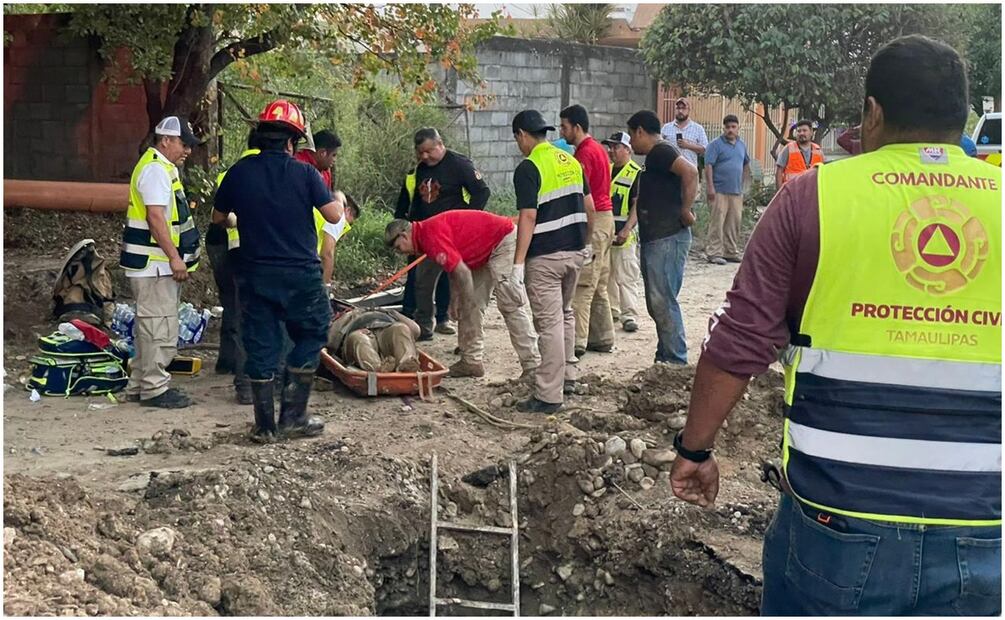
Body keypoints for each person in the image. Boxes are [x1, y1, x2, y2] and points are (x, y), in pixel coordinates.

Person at [669, 35, 1001, 615]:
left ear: (872, 112)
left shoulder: (811, 198)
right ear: (962, 117)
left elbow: (740, 341)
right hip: (987, 522)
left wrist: (693, 449)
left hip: (838, 521)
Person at [213, 99, 346, 442]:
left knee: (260, 342)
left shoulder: (238, 173)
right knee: (313, 332)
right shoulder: (305, 173)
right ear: (292, 142)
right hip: (300, 273)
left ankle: (264, 426)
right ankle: (294, 415)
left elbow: (218, 219)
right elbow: (333, 216)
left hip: (255, 273)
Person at [385, 211, 540, 379]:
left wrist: (464, 301)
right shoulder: (424, 237)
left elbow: (463, 273)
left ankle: (532, 365)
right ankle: (471, 362)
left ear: (403, 235)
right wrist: (456, 300)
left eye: (398, 248)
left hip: (503, 240)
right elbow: (454, 268)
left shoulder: (429, 236)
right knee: (470, 305)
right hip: (481, 251)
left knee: (510, 304)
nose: (401, 253)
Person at [511, 109, 593, 413]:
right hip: (574, 252)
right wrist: (586, 243)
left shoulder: (529, 167)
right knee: (566, 313)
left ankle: (548, 394)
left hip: (545, 257)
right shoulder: (571, 161)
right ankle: (568, 376)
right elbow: (589, 205)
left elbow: (528, 216)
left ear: (521, 135)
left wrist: (519, 262)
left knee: (550, 324)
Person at [119, 116, 201, 408]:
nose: (187, 151)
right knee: (159, 326)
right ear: (165, 140)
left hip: (152, 263)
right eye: (183, 144)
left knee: (149, 327)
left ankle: (140, 384)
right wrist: (175, 258)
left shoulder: (160, 167)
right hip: (155, 265)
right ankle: (155, 388)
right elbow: (156, 219)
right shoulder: (155, 170)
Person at [395, 128, 491, 340]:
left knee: (451, 276)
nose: (424, 156)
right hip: (421, 235)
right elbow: (405, 200)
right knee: (420, 280)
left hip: (450, 235)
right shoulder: (416, 171)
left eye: (428, 151)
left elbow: (482, 192)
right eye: (420, 152)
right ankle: (419, 323)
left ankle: (444, 319)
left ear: (440, 144)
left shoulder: (458, 164)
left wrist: (466, 221)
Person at [626, 110, 699, 365]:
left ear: (640, 131)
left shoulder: (662, 151)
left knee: (663, 300)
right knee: (657, 301)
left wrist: (686, 210)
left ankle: (675, 359)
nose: (631, 144)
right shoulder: (655, 157)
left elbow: (691, 173)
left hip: (668, 237)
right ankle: (665, 354)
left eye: (632, 137)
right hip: (656, 237)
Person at [205, 129, 260, 405]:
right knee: (243, 311)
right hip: (237, 248)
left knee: (231, 303)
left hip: (217, 245)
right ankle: (245, 380)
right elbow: (224, 217)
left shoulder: (230, 171)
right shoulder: (256, 173)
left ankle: (226, 362)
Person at [560, 104, 615, 357]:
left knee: (583, 284)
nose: (562, 132)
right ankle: (602, 336)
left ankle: (578, 340)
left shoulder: (584, 155)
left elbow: (582, 196)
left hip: (594, 220)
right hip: (607, 219)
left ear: (577, 127)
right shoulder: (599, 150)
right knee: (599, 281)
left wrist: (583, 234)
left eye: (564, 127)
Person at [602, 131, 642, 333]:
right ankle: (613, 310)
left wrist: (627, 228)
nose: (611, 151)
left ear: (627, 149)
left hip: (624, 235)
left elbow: (637, 204)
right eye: (610, 147)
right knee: (607, 275)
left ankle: (629, 315)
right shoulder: (606, 170)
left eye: (616, 147)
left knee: (626, 275)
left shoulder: (635, 173)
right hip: (607, 233)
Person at [704, 115, 751, 265]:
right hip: (719, 190)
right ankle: (714, 252)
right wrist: (710, 187)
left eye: (733, 127)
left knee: (733, 222)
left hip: (736, 191)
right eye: (728, 127)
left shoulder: (741, 145)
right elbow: (708, 165)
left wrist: (743, 183)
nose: (730, 130)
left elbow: (745, 164)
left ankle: (730, 252)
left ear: (738, 128)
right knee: (717, 222)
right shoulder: (715, 145)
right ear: (723, 128)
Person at [327, 307, 421, 373]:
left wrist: (391, 312)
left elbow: (416, 330)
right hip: (359, 331)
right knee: (359, 338)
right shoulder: (350, 315)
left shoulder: (387, 313)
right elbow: (330, 341)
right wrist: (349, 315)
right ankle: (378, 368)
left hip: (385, 328)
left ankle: (406, 364)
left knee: (401, 328)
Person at [320, 197, 359, 293]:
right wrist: (326, 285)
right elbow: (327, 253)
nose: (348, 226)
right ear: (348, 210)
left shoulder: (323, 207)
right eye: (351, 222)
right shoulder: (338, 216)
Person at [660, 97, 708, 170]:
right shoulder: (666, 128)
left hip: (690, 171)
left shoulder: (698, 128)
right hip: (670, 171)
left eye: (683, 108)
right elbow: (659, 147)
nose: (680, 111)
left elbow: (705, 149)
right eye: (678, 108)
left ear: (689, 110)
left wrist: (688, 145)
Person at [775, 119, 824, 188]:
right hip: (792, 192)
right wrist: (780, 193)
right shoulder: (788, 148)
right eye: (799, 131)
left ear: (811, 132)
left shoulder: (818, 150)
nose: (801, 133)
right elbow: (779, 171)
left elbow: (822, 173)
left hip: (811, 192)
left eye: (804, 130)